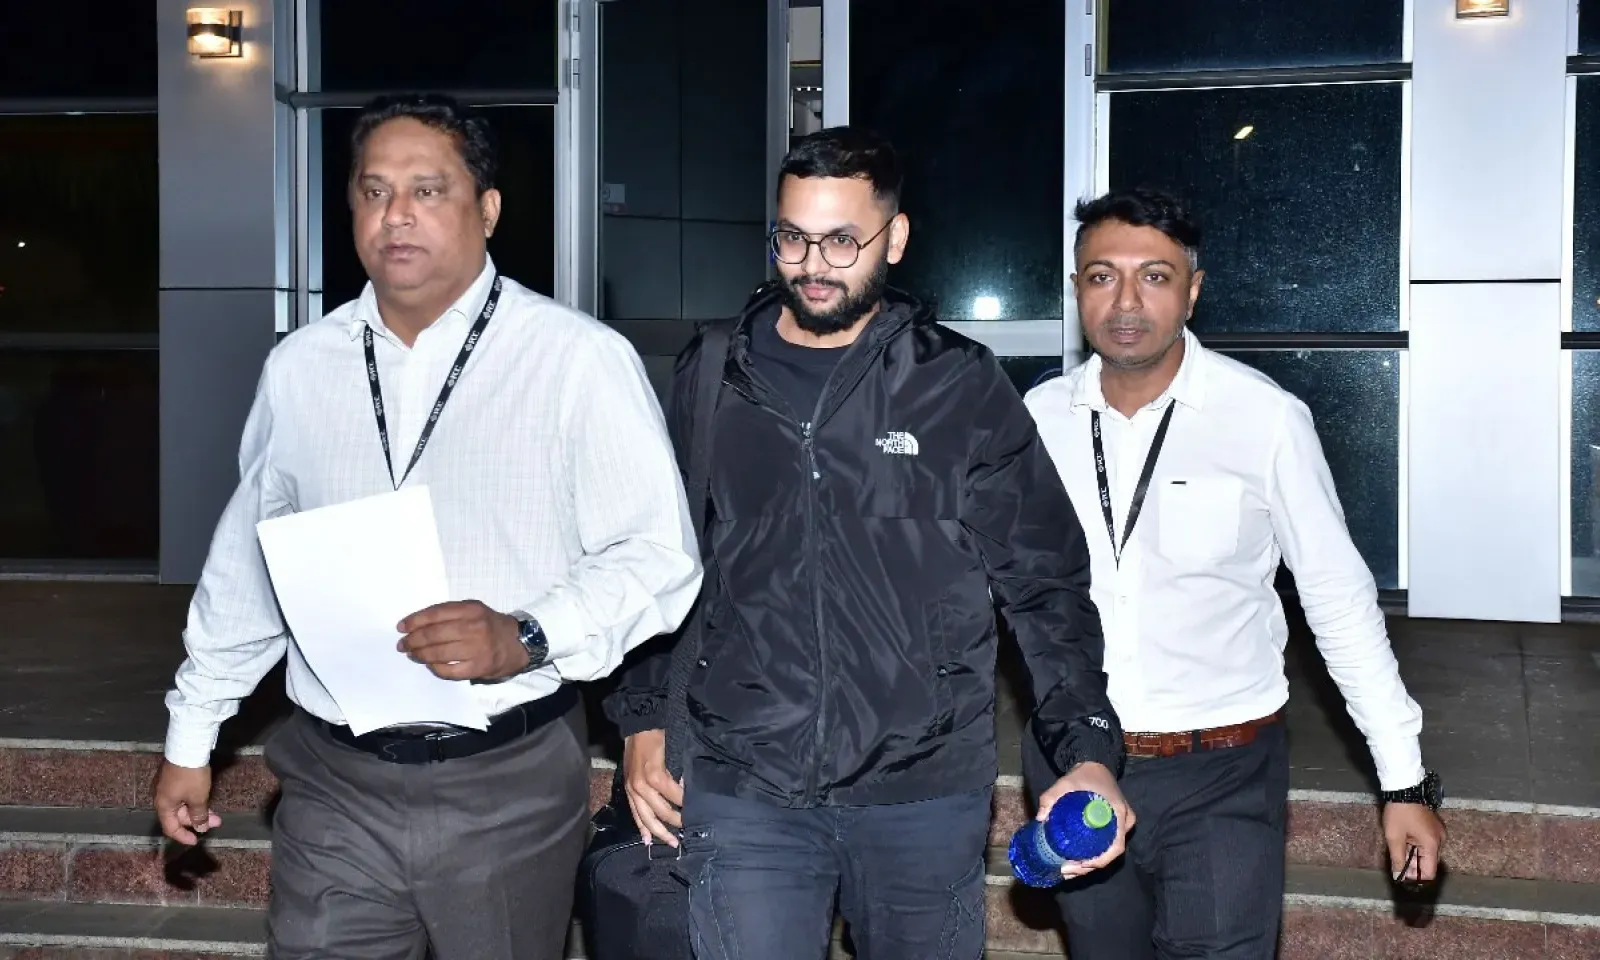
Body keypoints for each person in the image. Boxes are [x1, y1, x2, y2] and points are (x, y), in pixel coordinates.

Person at [152, 93, 702, 960]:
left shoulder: (576, 361)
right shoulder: (300, 368)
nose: (396, 214)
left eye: (427, 190)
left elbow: (658, 555)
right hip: (334, 780)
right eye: (373, 192)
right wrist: (193, 734)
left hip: (505, 781)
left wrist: (526, 634)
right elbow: (248, 567)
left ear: (488, 209)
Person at [602, 126, 1130, 960]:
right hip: (745, 780)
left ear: (896, 236)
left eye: (843, 241)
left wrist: (1086, 747)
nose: (813, 264)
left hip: (922, 789)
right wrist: (640, 718)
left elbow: (1044, 582)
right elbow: (658, 554)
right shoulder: (712, 371)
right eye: (792, 237)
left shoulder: (956, 382)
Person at [1022, 187, 1447, 960]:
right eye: (1102, 276)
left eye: (1154, 276)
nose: (1125, 301)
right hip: (1077, 766)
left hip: (1220, 769)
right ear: (1076, 288)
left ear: (1193, 291)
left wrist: (1404, 780)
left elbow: (1338, 599)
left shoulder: (1264, 418)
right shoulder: (1036, 420)